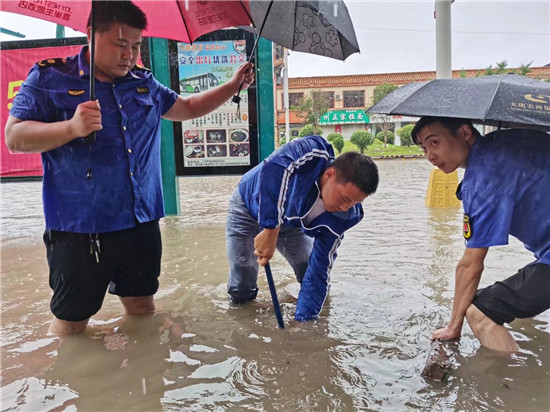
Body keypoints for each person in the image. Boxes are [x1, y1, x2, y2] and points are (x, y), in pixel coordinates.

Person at [4, 1, 254, 336]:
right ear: (91, 35)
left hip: (140, 222)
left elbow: (188, 108)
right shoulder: (50, 77)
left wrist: (233, 85)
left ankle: (143, 368)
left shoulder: (143, 82)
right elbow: (14, 137)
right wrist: (71, 128)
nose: (129, 56)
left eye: (136, 46)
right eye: (121, 45)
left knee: (141, 307)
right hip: (82, 228)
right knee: (72, 322)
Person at [411, 116, 550, 352]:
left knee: (480, 311)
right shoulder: (513, 139)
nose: (430, 156)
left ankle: (513, 373)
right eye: (424, 148)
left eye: (434, 143)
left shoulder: (481, 179)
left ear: (465, 132)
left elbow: (471, 264)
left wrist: (453, 327)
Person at [226, 135, 379, 321]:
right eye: (345, 198)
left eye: (354, 203)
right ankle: (242, 319)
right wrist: (270, 229)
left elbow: (319, 270)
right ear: (330, 175)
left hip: (290, 224)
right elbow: (274, 167)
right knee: (241, 286)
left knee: (309, 271)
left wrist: (304, 325)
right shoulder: (312, 152)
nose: (345, 208)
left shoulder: (343, 217)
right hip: (246, 208)